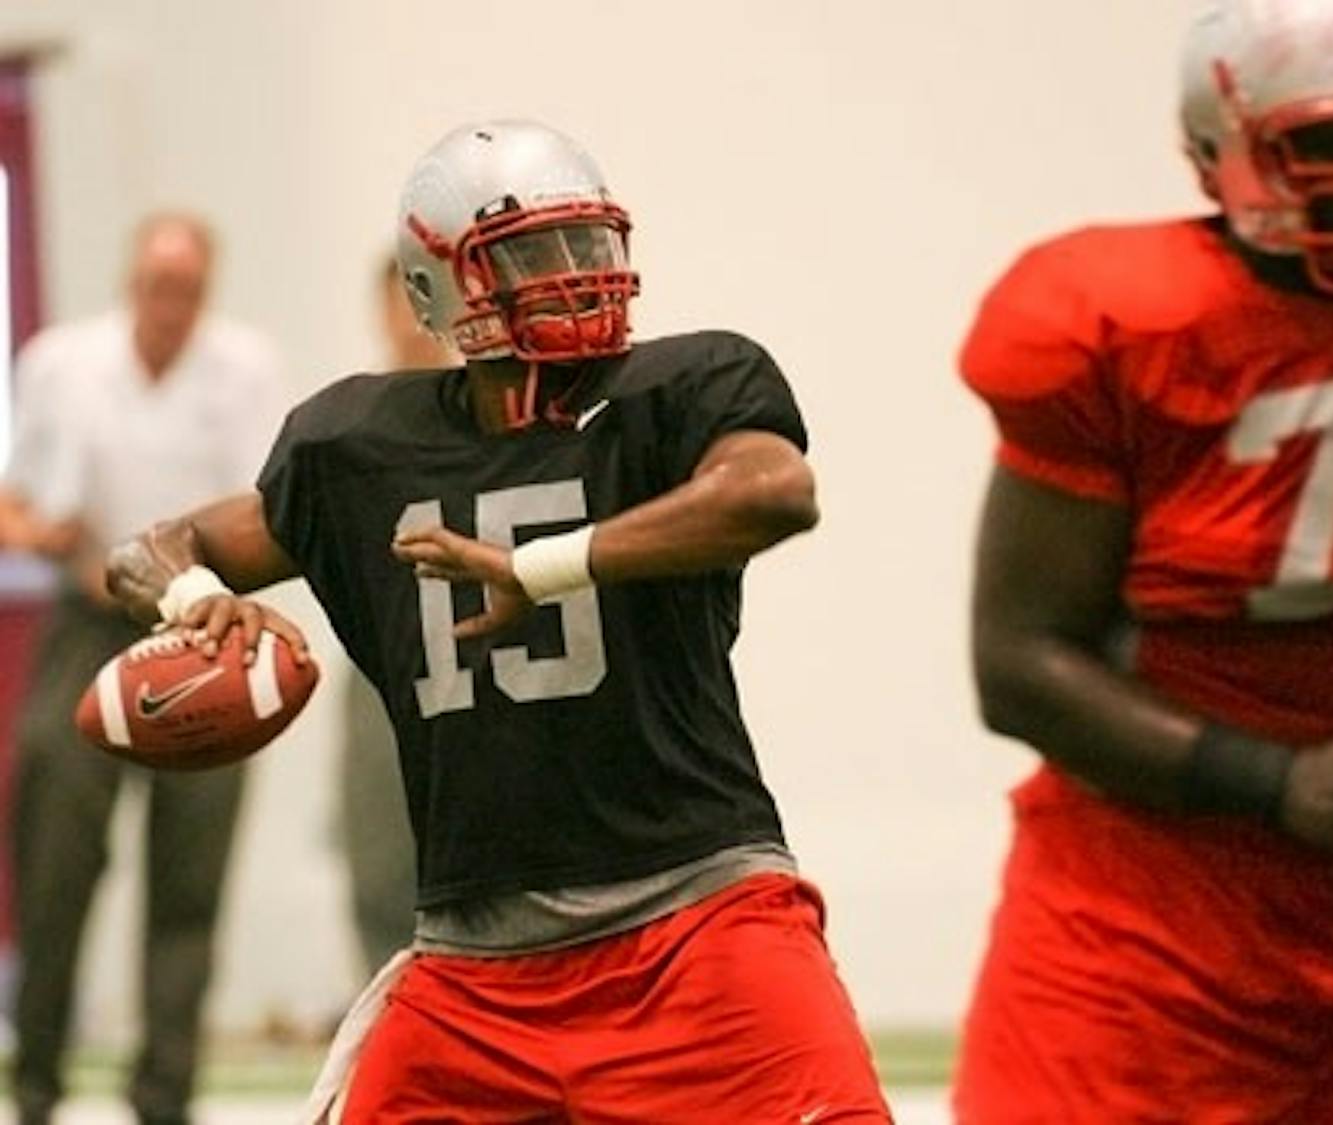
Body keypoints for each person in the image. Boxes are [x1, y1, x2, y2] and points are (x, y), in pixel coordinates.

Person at [105, 120, 891, 1123]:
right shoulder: (356, 448)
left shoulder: (678, 388)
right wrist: (192, 597)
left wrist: (546, 565)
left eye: (583, 244)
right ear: (436, 287)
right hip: (474, 964)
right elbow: (147, 549)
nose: (573, 274)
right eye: (527, 256)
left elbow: (774, 492)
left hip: (698, 923)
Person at [953, 1, 1333, 1120]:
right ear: (1220, 156)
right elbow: (1019, 661)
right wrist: (1278, 781)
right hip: (1145, 911)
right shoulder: (1123, 318)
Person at [0, 213, 283, 1125]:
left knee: (191, 867)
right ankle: (35, 1081)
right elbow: (14, 496)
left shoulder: (243, 370)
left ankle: (165, 1094)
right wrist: (38, 532)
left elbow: (266, 512)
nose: (171, 307)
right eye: (157, 286)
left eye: (188, 290)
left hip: (201, 619)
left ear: (207, 294)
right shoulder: (61, 364)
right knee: (56, 846)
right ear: (132, 283)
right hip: (90, 613)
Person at [337, 257, 454, 976]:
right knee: (379, 849)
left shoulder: (482, 408)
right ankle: (388, 1010)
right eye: (399, 307)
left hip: (471, 645)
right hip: (383, 651)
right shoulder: (353, 424)